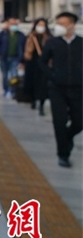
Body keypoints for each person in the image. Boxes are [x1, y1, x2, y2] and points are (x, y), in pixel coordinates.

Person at [40, 12, 82, 168]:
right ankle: (63, 154)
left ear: (72, 25)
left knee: (79, 121)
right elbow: (42, 62)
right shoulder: (52, 42)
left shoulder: (80, 43)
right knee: (59, 122)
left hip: (78, 89)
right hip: (57, 89)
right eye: (58, 23)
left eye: (62, 23)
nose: (59, 27)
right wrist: (53, 76)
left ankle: (68, 137)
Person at [20, 18, 51, 115]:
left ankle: (41, 104)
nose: (41, 27)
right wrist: (22, 62)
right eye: (39, 25)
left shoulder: (49, 38)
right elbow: (24, 50)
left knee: (43, 84)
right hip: (32, 63)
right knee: (32, 82)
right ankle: (33, 100)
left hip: (44, 64)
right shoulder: (30, 36)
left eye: (43, 25)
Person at [0, 18, 25, 98]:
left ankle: (13, 90)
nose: (14, 26)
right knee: (5, 75)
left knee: (13, 75)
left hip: (15, 57)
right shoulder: (3, 34)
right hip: (4, 57)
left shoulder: (21, 35)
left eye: (15, 24)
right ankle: (6, 90)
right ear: (8, 24)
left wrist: (22, 60)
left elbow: (23, 47)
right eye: (12, 24)